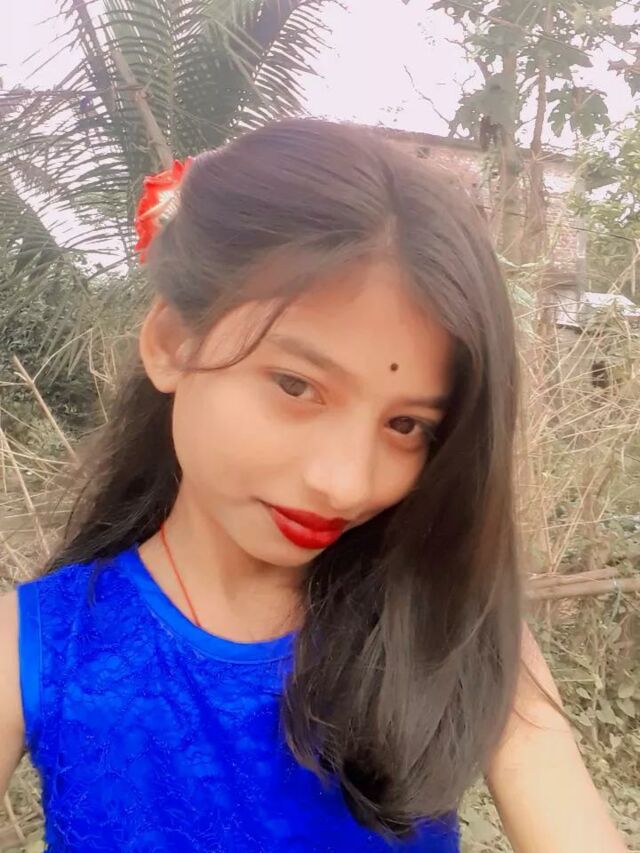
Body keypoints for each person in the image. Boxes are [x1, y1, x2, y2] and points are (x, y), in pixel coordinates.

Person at [0, 118, 628, 852]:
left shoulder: (451, 625)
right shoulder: (36, 645)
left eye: (406, 425)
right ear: (172, 343)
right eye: (296, 385)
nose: (344, 483)